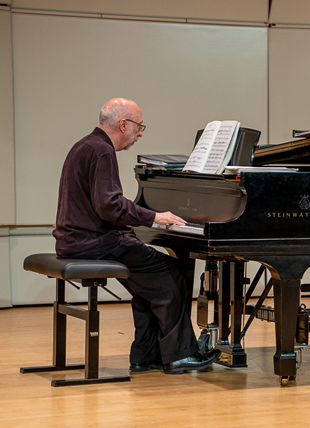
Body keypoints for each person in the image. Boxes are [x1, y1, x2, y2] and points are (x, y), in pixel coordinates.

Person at [53, 98, 220, 374]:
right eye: (139, 126)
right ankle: (180, 356)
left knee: (147, 283)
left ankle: (146, 355)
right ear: (123, 124)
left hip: (77, 241)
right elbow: (109, 206)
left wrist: (140, 220)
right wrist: (153, 217)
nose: (140, 133)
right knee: (172, 274)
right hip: (96, 244)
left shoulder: (85, 145)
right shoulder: (103, 152)